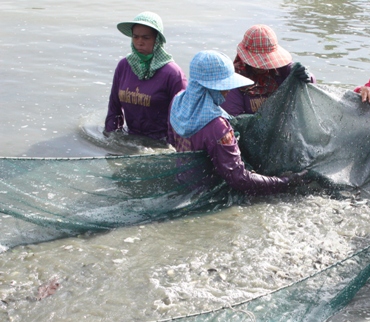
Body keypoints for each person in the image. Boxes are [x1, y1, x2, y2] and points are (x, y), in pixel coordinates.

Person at [168, 51, 304, 195]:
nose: (228, 91)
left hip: (183, 181)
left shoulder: (177, 101)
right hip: (207, 192)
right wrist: (285, 182)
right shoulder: (217, 127)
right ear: (210, 87)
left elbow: (171, 139)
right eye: (223, 86)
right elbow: (238, 178)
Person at [104, 11, 187, 141]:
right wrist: (110, 139)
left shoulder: (172, 73)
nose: (139, 42)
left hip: (161, 141)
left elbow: (182, 117)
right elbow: (114, 108)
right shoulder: (124, 66)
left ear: (157, 40)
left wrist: (171, 149)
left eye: (146, 38)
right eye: (135, 37)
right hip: (131, 137)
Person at [220, 24, 314, 116]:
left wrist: (306, 75)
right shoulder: (233, 83)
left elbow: (310, 84)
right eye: (258, 61)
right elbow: (233, 118)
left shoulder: (282, 70)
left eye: (268, 60)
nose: (263, 66)